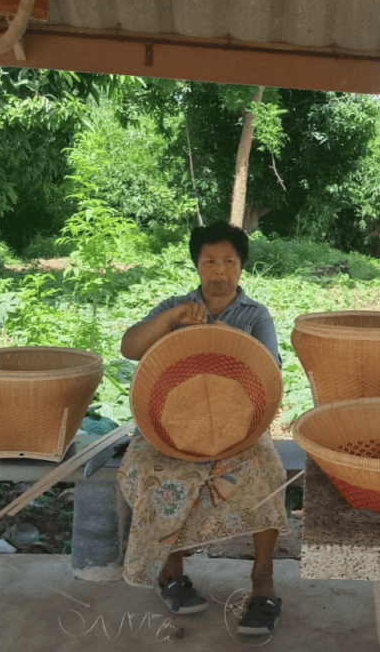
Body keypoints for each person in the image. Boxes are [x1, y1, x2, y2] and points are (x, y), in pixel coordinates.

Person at [117, 220, 288, 635]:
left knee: (268, 471)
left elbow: (272, 371)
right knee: (155, 472)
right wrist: (173, 318)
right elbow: (130, 347)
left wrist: (230, 337)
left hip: (239, 426)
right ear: (196, 265)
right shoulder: (176, 307)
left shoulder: (254, 315)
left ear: (241, 267)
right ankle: (171, 571)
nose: (219, 271)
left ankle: (263, 580)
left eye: (229, 261)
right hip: (171, 423)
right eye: (209, 261)